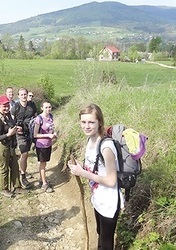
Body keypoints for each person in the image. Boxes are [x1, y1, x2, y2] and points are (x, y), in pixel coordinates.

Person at [67, 104, 124, 250]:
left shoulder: (106, 147)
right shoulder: (90, 141)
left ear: (100, 122)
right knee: (99, 232)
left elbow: (111, 180)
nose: (86, 126)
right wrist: (78, 166)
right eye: (83, 122)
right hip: (98, 198)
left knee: (106, 241)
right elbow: (94, 167)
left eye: (91, 122)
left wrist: (83, 173)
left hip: (109, 202)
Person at [0, 95, 24, 197]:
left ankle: (17, 187)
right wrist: (9, 134)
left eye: (7, 105)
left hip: (10, 146)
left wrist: (16, 128)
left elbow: (10, 126)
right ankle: (4, 189)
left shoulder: (8, 114)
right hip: (1, 147)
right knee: (4, 169)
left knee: (14, 166)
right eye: (4, 106)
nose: (6, 108)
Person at [10, 88, 37, 189]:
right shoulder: (15, 107)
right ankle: (23, 176)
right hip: (20, 134)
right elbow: (11, 121)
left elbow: (35, 117)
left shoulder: (32, 105)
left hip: (29, 133)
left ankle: (22, 172)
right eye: (21, 95)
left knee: (26, 154)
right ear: (18, 96)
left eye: (25, 94)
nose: (24, 96)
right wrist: (16, 129)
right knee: (24, 154)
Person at [33, 100, 57, 193]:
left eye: (49, 107)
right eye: (46, 107)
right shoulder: (39, 119)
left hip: (48, 144)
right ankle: (44, 184)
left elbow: (51, 128)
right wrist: (48, 136)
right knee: (43, 163)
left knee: (45, 163)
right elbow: (35, 135)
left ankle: (41, 179)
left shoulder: (51, 116)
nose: (48, 109)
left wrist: (53, 134)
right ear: (42, 108)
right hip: (41, 145)